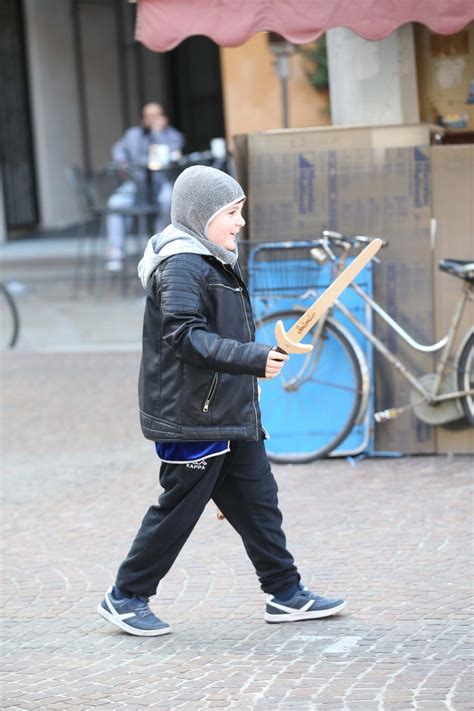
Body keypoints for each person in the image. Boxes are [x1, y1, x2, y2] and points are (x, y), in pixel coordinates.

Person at [97, 166, 346, 636]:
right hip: (190, 415)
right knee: (180, 507)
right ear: (200, 215)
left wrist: (253, 361)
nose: (240, 223)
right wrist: (255, 359)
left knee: (258, 499)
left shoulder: (212, 258)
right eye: (231, 213)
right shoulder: (182, 264)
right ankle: (125, 596)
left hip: (226, 409)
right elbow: (185, 338)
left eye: (240, 211)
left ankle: (286, 594)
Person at [105, 102, 185, 271]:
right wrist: (121, 160)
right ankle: (116, 250)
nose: (153, 120)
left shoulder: (173, 136)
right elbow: (118, 149)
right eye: (150, 117)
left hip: (161, 181)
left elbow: (172, 154)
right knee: (115, 203)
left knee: (167, 200)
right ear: (142, 119)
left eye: (157, 116)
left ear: (164, 118)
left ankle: (161, 246)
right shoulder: (132, 135)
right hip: (136, 183)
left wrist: (157, 134)